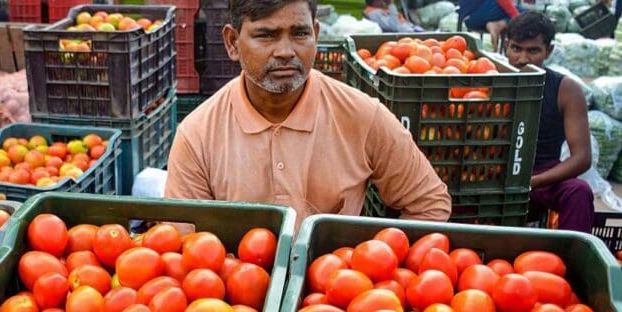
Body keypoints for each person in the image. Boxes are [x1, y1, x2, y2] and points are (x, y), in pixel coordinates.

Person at [165, 0, 451, 227]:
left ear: (316, 33)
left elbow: (429, 202)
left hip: (339, 291)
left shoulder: (361, 115)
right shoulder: (198, 135)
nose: (286, 51)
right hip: (235, 298)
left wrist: (384, 270)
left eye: (299, 33)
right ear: (232, 43)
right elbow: (184, 243)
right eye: (266, 35)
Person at [505, 12, 593, 232]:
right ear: (506, 45)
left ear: (549, 51)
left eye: (533, 50)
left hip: (542, 174)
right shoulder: (492, 77)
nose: (523, 59)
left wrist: (534, 181)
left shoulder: (566, 89)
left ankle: (573, 263)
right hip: (495, 171)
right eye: (516, 48)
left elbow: (582, 158)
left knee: (578, 191)